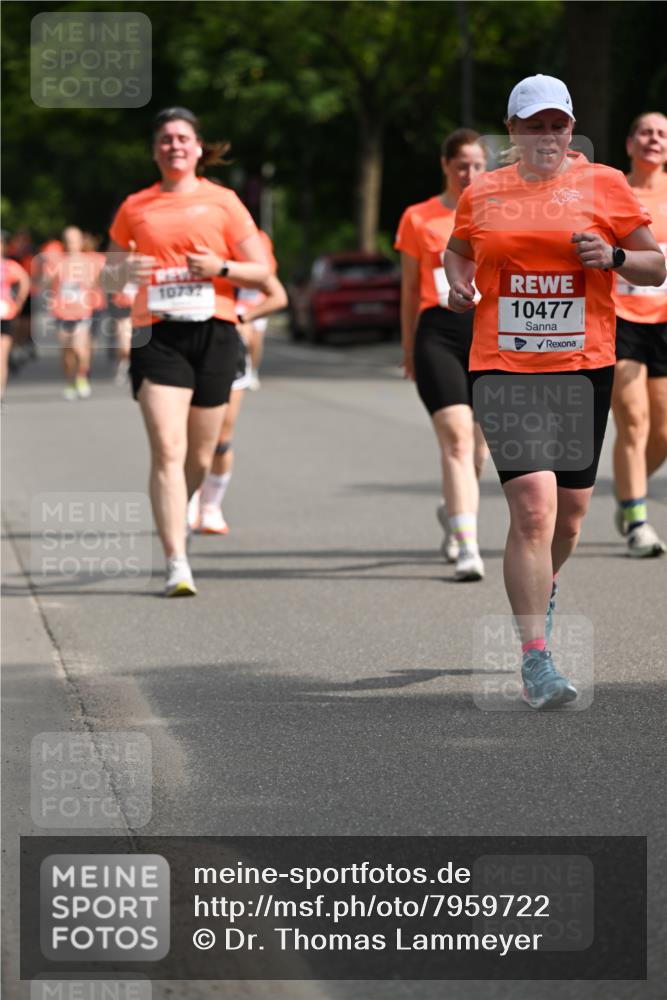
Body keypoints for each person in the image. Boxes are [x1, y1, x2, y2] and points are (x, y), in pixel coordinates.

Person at [444, 75, 665, 709]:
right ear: (510, 131)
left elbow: (654, 265)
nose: (547, 135)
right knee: (534, 508)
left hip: (582, 364)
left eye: (557, 124)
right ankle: (535, 658)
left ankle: (547, 580)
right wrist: (461, 285)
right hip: (503, 366)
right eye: (533, 125)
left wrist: (615, 259)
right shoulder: (484, 191)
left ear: (572, 128)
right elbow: (457, 253)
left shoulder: (604, 185)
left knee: (570, 515)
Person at [102, 106, 271, 596]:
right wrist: (121, 273)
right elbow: (109, 275)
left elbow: (260, 271)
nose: (174, 145)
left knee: (199, 452)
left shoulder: (224, 202)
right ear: (156, 150)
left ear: (198, 148)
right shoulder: (135, 206)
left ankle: (181, 509)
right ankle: (176, 559)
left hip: (214, 333)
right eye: (166, 139)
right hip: (157, 335)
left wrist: (219, 266)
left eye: (183, 138)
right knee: (168, 449)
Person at [395, 129, 488, 581]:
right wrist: (409, 347)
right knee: (456, 436)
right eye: (460, 165)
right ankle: (467, 544)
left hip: (489, 333)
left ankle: (454, 508)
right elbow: (410, 289)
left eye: (477, 165)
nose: (468, 173)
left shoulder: (500, 213)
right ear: (445, 166)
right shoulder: (419, 218)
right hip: (439, 333)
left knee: (480, 447)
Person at [188, 231, 287, 534]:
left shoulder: (240, 250)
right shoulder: (181, 249)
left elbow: (278, 295)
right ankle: (188, 499)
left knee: (220, 438)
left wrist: (242, 319)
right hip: (181, 348)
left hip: (225, 347)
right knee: (184, 437)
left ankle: (211, 506)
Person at [611, 112, 667, 557]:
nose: (654, 139)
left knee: (663, 431)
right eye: (645, 132)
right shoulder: (614, 192)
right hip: (620, 316)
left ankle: (630, 491)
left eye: (662, 134)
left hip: (664, 320)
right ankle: (636, 519)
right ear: (630, 144)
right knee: (633, 420)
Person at [47, 226, 103, 399]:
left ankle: (81, 376)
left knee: (80, 348)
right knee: (67, 351)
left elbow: (100, 283)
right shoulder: (57, 262)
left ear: (80, 241)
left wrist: (91, 283)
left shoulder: (90, 262)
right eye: (68, 240)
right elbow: (48, 284)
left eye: (74, 240)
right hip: (62, 312)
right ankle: (70, 381)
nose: (71, 244)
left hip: (82, 311)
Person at [0, 231, 31, 395]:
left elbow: (24, 280)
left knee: (1, 356)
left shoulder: (8, 266)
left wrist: (18, 302)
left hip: (4, 314)